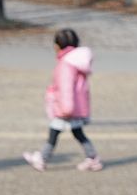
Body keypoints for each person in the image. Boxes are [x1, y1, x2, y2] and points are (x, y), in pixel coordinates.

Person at [22, 28, 102, 171]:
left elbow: (66, 89)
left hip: (65, 108)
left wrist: (65, 109)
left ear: (58, 45)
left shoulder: (66, 64)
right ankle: (92, 157)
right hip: (76, 107)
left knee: (54, 133)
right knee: (78, 133)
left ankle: (42, 158)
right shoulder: (77, 62)